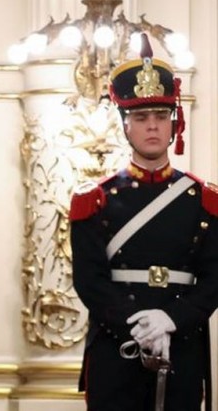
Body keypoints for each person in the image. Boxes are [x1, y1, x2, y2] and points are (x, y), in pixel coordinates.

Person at [70, 34, 218, 410]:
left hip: (181, 346)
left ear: (173, 124)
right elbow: (89, 280)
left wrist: (170, 320)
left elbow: (214, 279)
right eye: (140, 117)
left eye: (159, 116)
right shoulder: (94, 200)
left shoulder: (205, 200)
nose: (152, 126)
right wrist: (139, 326)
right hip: (116, 346)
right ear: (125, 124)